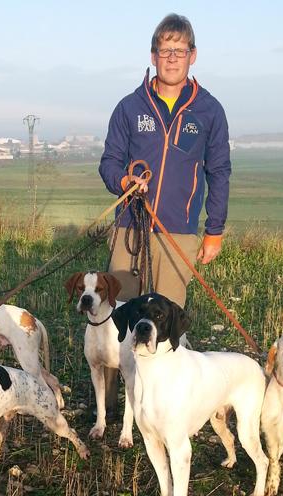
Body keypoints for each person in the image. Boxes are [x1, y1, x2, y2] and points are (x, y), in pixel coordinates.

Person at [98, 13, 231, 416]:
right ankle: (118, 412)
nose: (171, 58)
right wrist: (123, 182)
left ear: (193, 56)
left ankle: (166, 409)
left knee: (166, 325)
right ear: (153, 55)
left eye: (179, 51)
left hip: (180, 231)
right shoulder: (129, 107)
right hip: (129, 229)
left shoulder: (209, 110)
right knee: (120, 319)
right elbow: (109, 163)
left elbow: (219, 171)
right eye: (164, 51)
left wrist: (215, 230)